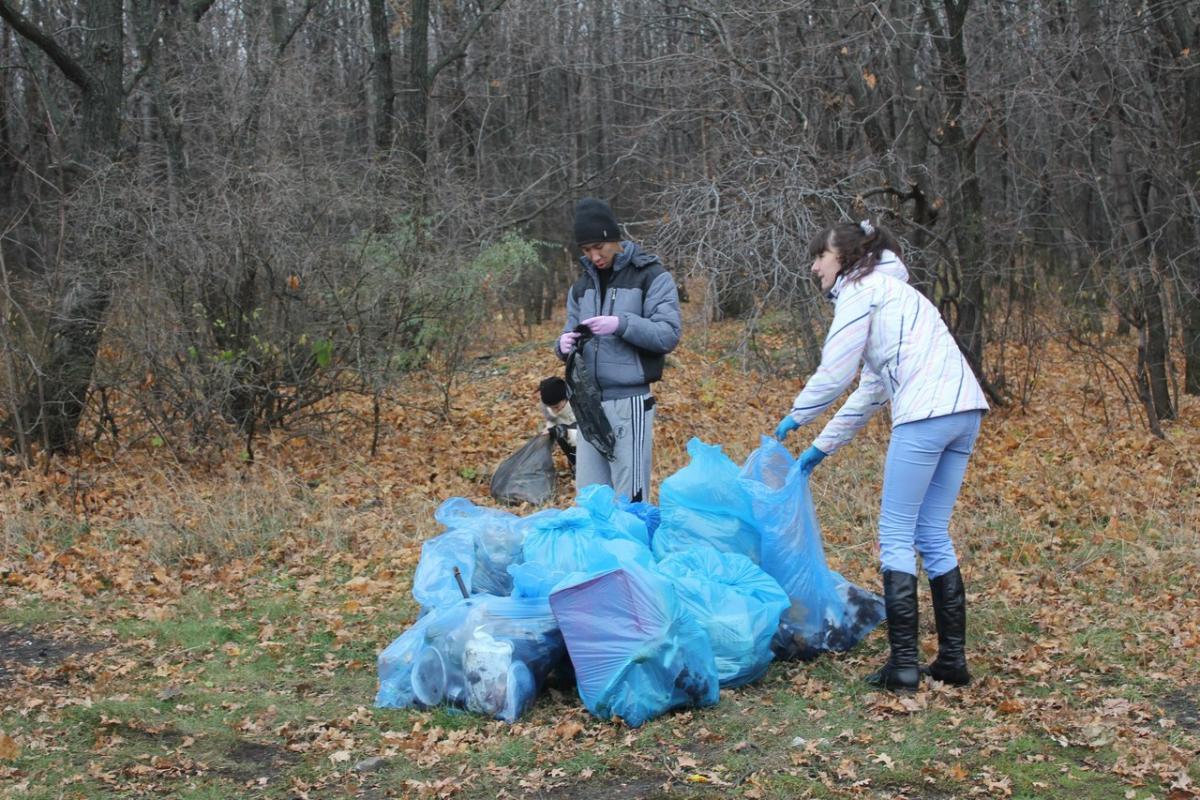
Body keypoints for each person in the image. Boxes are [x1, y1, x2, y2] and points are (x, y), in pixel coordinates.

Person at [774, 220, 988, 691]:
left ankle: (904, 665)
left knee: (895, 534)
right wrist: (818, 448)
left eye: (820, 256)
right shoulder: (894, 295)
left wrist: (795, 416)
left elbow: (835, 372)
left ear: (844, 258)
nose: (814, 266)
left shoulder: (860, 291)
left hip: (926, 413)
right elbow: (871, 389)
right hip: (964, 410)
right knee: (931, 532)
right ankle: (951, 661)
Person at [555, 197, 682, 503]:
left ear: (614, 239)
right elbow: (568, 329)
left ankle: (636, 549)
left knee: (629, 499)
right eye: (586, 251)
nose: (595, 256)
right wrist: (562, 345)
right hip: (588, 404)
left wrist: (621, 324)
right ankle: (600, 552)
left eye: (599, 247)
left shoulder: (651, 276)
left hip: (630, 403)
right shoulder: (581, 287)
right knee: (590, 498)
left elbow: (668, 334)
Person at [538, 376, 577, 466]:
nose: (555, 411)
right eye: (551, 408)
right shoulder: (553, 413)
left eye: (556, 407)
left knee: (561, 432)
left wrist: (564, 432)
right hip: (571, 451)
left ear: (566, 398)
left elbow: (583, 437)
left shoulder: (576, 409)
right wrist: (548, 431)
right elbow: (553, 423)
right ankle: (574, 464)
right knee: (559, 434)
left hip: (586, 449)